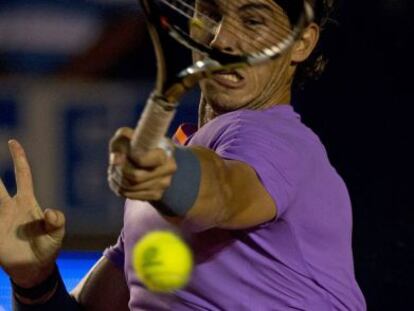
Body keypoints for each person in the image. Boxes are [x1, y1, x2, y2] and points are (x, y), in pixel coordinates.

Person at [0, 0, 366, 310]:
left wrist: (169, 175)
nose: (222, 40)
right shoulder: (167, 187)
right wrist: (34, 279)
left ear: (301, 42)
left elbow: (223, 190)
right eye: (209, 13)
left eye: (253, 21)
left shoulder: (277, 139)